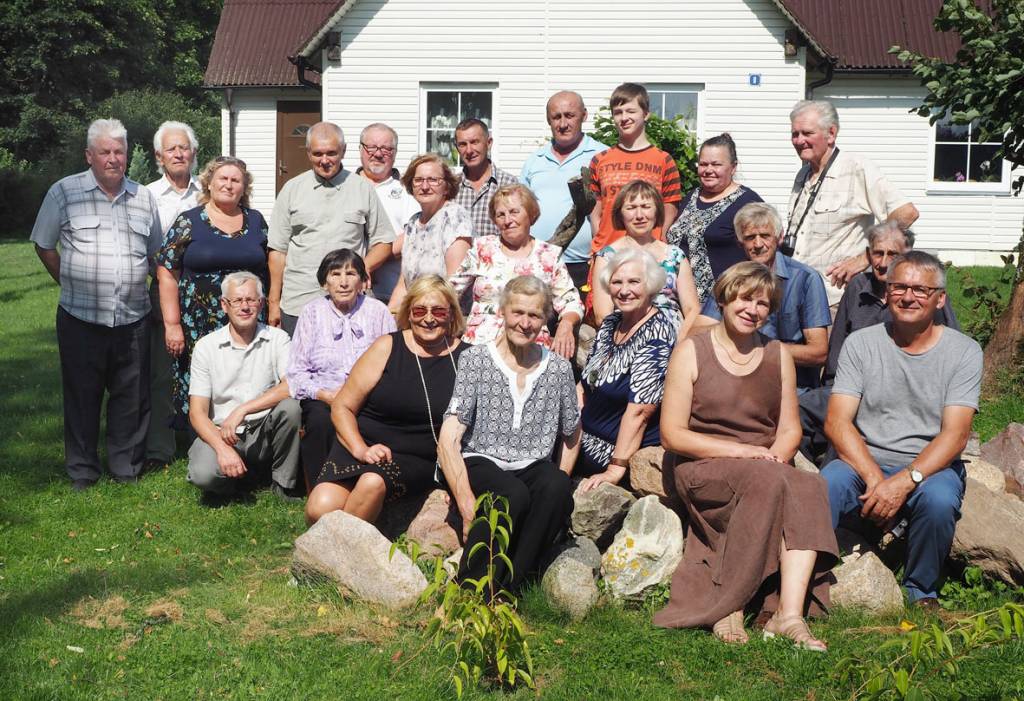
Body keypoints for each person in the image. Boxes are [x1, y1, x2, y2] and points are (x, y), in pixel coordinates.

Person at [653, 262, 838, 650]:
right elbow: (673, 435)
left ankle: (789, 616)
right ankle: (729, 604)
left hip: (761, 464)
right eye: (745, 298)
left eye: (763, 303)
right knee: (767, 479)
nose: (753, 309)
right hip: (702, 463)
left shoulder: (777, 354)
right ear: (724, 298)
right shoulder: (692, 351)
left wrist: (774, 456)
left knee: (808, 484)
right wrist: (744, 453)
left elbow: (789, 429)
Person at [821, 251, 982, 609]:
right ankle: (806, 576)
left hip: (930, 464)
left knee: (938, 500)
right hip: (864, 457)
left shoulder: (964, 352)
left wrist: (904, 481)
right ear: (887, 292)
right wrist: (877, 479)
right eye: (899, 287)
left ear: (940, 299)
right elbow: (837, 421)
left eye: (920, 290)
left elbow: (955, 435)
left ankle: (920, 591)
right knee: (826, 486)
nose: (908, 297)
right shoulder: (861, 343)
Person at [31, 118, 163, 490]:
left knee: (130, 397)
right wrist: (69, 281)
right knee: (81, 395)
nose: (113, 158)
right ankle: (83, 471)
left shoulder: (143, 197)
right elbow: (43, 245)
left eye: (119, 151)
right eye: (104, 151)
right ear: (89, 155)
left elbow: (156, 254)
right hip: (79, 316)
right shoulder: (64, 192)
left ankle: (126, 468)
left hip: (133, 315)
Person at [438, 275, 581, 593]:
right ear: (502, 312)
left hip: (531, 462)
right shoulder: (476, 360)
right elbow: (450, 436)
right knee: (511, 495)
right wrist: (465, 504)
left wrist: (559, 480)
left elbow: (572, 431)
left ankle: (509, 588)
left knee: (556, 487)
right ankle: (472, 589)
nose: (525, 323)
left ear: (545, 319)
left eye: (534, 315)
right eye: (518, 312)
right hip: (482, 457)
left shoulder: (558, 368)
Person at [306, 276, 467, 524]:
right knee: (319, 508)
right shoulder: (387, 346)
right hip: (364, 445)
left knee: (372, 484)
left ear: (452, 314)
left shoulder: (468, 358)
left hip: (416, 455)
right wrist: (361, 448)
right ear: (409, 312)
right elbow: (342, 406)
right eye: (420, 310)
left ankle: (341, 557)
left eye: (438, 311)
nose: (428, 318)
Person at [797, 222, 960, 463]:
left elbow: (951, 351)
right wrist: (833, 390)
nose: (883, 262)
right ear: (868, 255)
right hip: (850, 389)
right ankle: (807, 470)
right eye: (877, 253)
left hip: (900, 396)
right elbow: (837, 351)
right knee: (796, 408)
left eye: (893, 254)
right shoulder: (858, 287)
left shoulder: (926, 297)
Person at [155, 156, 269, 429]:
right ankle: (201, 435)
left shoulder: (256, 221)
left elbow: (269, 266)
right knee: (202, 378)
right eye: (223, 179)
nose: (228, 185)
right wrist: (171, 324)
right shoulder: (189, 221)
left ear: (244, 187)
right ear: (209, 183)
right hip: (198, 323)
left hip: (245, 317)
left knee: (244, 374)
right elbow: (166, 272)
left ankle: (245, 431)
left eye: (235, 180)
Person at [787, 100, 919, 307]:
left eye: (807, 133)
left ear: (831, 133)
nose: (799, 140)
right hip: (798, 295)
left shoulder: (856, 167)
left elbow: (906, 213)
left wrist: (865, 258)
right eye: (795, 134)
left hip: (835, 299)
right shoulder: (803, 175)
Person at [268, 122, 396, 334]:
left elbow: (384, 242)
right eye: (318, 153)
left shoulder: (362, 189)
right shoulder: (291, 189)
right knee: (298, 365)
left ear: (343, 151)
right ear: (308, 153)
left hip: (350, 303)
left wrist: (359, 270)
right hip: (299, 301)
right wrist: (274, 303)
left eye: (331, 153)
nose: (325, 160)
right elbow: (277, 251)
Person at [287, 249, 397, 489]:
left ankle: (371, 483)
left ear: (362, 281)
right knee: (320, 421)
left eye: (351, 273)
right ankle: (323, 489)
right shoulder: (312, 312)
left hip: (368, 395)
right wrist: (325, 395)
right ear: (325, 282)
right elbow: (296, 372)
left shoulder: (378, 311)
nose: (344, 281)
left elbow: (393, 360)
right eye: (335, 274)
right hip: (325, 395)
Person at [186, 272, 299, 499]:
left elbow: (292, 386)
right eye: (237, 300)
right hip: (222, 431)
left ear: (261, 303)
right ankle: (234, 484)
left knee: (292, 407)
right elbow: (197, 413)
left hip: (264, 429)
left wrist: (243, 409)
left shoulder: (278, 339)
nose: (245, 307)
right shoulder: (206, 347)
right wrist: (221, 449)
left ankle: (282, 483)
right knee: (203, 475)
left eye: (251, 300)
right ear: (224, 306)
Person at [699, 203, 830, 392]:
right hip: (737, 385)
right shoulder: (731, 277)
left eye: (765, 236)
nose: (758, 244)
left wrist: (758, 346)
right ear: (739, 242)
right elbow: (698, 330)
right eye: (750, 237)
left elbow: (818, 352)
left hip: (792, 389)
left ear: (780, 237)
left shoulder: (806, 279)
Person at [577, 249, 676, 490]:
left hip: (610, 448)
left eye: (634, 282)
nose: (624, 290)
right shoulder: (612, 322)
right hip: (583, 434)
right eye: (617, 282)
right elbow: (584, 384)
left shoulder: (658, 334)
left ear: (651, 285)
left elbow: (641, 411)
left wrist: (615, 468)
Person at [449, 184, 583, 358]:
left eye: (514, 212)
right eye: (500, 215)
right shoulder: (482, 248)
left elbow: (571, 301)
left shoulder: (548, 254)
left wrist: (566, 324)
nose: (507, 220)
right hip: (481, 349)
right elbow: (450, 290)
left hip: (530, 349)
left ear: (531, 213)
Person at [144, 120, 202, 471]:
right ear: (159, 156)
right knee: (162, 372)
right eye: (171, 149)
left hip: (204, 296)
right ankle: (160, 449)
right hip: (160, 290)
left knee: (206, 369)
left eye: (184, 148)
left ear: (194, 153)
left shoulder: (206, 192)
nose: (179, 154)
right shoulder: (145, 195)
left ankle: (203, 440)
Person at [520, 90, 609, 292]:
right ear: (548, 120)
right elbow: (521, 208)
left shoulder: (602, 155)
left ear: (584, 116)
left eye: (569, 116)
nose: (562, 124)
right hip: (539, 262)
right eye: (556, 117)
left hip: (585, 264)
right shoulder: (535, 160)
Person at [591, 180, 700, 334]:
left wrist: (680, 345)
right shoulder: (607, 257)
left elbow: (692, 309)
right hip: (625, 339)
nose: (639, 215)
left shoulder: (675, 255)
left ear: (657, 211)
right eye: (631, 208)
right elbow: (602, 315)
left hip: (674, 342)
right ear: (620, 213)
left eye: (646, 207)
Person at [665, 133, 764, 302]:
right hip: (679, 300)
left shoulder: (748, 202)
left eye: (716, 164)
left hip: (720, 302)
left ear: (733, 167)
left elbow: (763, 253)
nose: (708, 170)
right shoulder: (691, 197)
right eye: (703, 164)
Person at [588, 83, 682, 255]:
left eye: (631, 111)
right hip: (608, 252)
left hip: (649, 253)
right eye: (618, 112)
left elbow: (670, 208)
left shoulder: (663, 161)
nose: (624, 118)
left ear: (645, 114)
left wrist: (659, 239)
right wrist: (598, 243)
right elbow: (595, 211)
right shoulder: (599, 161)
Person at [387, 153, 473, 311]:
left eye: (433, 180)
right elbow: (404, 284)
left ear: (446, 186)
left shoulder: (454, 217)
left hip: (444, 315)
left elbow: (456, 283)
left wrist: (426, 314)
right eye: (418, 180)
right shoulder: (413, 223)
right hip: (416, 314)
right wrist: (389, 317)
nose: (425, 186)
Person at [356, 122, 421, 303]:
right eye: (371, 147)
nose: (377, 154)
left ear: (395, 153)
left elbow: (414, 232)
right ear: (360, 149)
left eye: (386, 149)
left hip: (392, 295)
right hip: (348, 293)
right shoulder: (346, 186)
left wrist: (375, 259)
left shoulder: (408, 190)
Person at [453, 118, 517, 238]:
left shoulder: (509, 184)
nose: (469, 150)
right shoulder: (450, 187)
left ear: (489, 143)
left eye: (474, 142)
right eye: (462, 144)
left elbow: (517, 232)